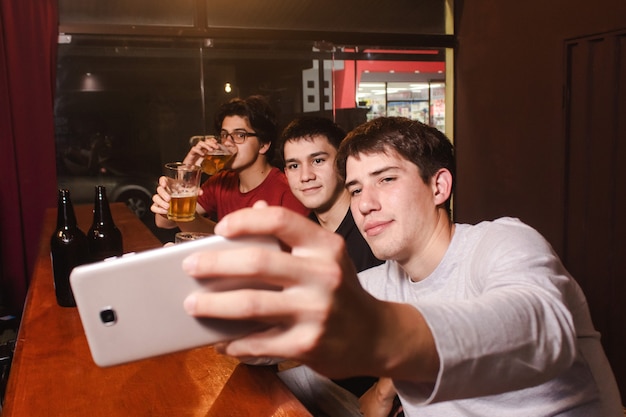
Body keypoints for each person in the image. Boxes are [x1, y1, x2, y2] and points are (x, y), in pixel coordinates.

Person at [179, 117, 623, 416]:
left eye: (386, 179)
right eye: (355, 189)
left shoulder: (503, 241)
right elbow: (273, 331)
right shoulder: (381, 282)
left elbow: (540, 329)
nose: (366, 204)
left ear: (439, 186)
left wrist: (379, 334)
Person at [277, 116, 383, 410]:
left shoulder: (375, 224)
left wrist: (385, 391)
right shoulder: (303, 238)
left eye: (318, 160)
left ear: (342, 163)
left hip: (381, 394)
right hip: (333, 382)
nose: (305, 175)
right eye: (294, 165)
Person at [151, 95, 308, 233]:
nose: (227, 142)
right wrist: (188, 168)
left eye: (239, 135)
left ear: (264, 144)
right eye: (225, 135)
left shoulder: (287, 191)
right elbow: (164, 222)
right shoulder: (221, 182)